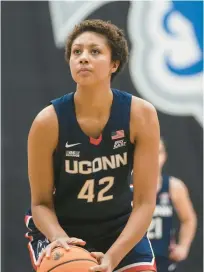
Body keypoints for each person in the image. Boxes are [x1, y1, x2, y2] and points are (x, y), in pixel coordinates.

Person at [25, 19, 160, 272]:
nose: (83, 58)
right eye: (77, 52)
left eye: (94, 51)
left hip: (118, 227)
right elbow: (41, 203)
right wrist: (58, 238)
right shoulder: (47, 122)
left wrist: (113, 257)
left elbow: (144, 203)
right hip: (60, 228)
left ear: (114, 64)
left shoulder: (140, 115)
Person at [131, 139, 197, 272]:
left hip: (163, 260)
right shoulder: (124, 186)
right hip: (132, 258)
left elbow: (189, 219)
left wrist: (183, 247)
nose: (154, 157)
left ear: (164, 156)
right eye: (149, 152)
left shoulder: (174, 186)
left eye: (158, 152)